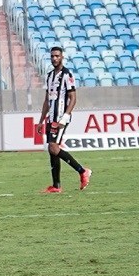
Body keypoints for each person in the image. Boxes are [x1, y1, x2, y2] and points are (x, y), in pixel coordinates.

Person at [38, 46, 90, 193]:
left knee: (54, 147)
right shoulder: (49, 76)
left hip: (61, 117)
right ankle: (56, 186)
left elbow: (73, 98)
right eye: (52, 56)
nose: (54, 58)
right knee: (51, 149)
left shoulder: (67, 75)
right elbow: (47, 100)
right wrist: (41, 120)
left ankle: (82, 171)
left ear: (62, 57)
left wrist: (65, 117)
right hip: (51, 117)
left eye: (57, 56)